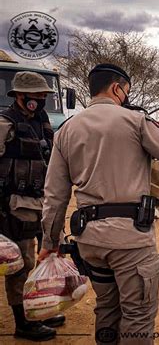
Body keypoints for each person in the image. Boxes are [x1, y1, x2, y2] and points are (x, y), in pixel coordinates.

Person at [38, 63, 159, 345]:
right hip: (131, 241)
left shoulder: (66, 130)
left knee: (107, 308)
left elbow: (54, 196)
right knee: (137, 314)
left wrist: (49, 241)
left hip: (89, 242)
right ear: (117, 88)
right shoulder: (136, 122)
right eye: (126, 90)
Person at [0, 71, 61, 341]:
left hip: (42, 201)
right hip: (14, 203)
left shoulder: (42, 121)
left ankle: (38, 309)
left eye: (43, 96)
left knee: (44, 256)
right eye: (35, 96)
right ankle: (23, 322)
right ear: (20, 96)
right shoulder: (5, 123)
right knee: (22, 264)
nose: (39, 100)